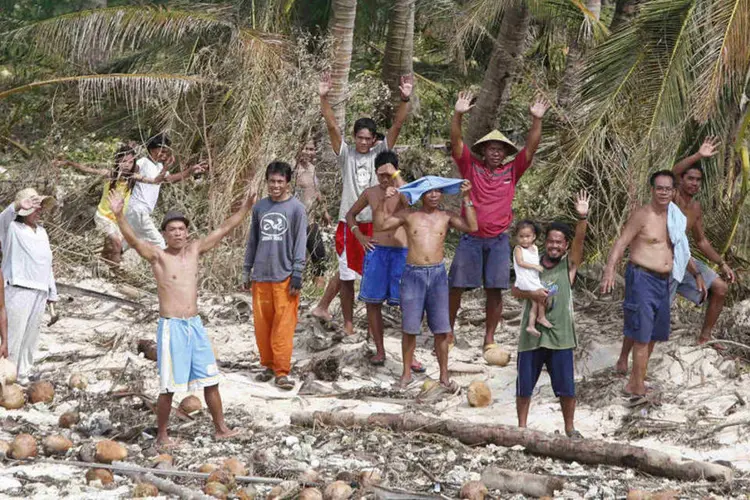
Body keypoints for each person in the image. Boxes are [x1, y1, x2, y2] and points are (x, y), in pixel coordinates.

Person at [109, 186, 254, 447]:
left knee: (211, 380)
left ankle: (221, 428)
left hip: (195, 326)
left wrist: (245, 208)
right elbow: (133, 241)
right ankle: (162, 436)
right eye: (172, 229)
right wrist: (119, 216)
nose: (178, 233)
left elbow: (223, 230)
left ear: (187, 232)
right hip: (171, 327)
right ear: (164, 234)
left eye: (181, 229)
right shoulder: (158, 256)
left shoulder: (194, 251)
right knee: (168, 386)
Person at [310, 72, 413, 335]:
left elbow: (397, 127)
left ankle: (372, 327)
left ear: (375, 140)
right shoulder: (346, 154)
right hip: (350, 224)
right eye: (360, 138)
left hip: (377, 226)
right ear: (355, 137)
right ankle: (348, 324)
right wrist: (324, 98)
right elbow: (333, 126)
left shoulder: (381, 153)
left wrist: (405, 99)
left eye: (369, 138)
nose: (364, 142)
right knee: (346, 275)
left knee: (373, 276)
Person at [448, 91, 550, 352]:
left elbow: (531, 147)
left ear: (505, 153)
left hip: (498, 241)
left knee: (495, 291)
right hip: (471, 238)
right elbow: (456, 142)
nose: (495, 153)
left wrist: (536, 120)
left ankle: (489, 339)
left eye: (500, 149)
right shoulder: (472, 167)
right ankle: (446, 332)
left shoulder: (511, 170)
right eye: (491, 149)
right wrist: (458, 114)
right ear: (483, 150)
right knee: (456, 287)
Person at [374, 178, 477, 390]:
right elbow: (381, 225)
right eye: (429, 191)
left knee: (441, 329)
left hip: (438, 276)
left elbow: (472, 227)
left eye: (437, 191)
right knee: (409, 327)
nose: (433, 195)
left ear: (442, 194)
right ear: (421, 194)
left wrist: (467, 197)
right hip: (413, 275)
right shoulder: (409, 215)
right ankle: (406, 374)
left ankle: (444, 376)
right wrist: (383, 202)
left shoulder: (446, 216)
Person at [511, 191, 590, 438]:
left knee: (566, 387)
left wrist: (583, 217)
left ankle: (570, 428)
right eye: (551, 241)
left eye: (560, 242)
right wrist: (532, 295)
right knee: (524, 385)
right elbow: (515, 290)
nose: (555, 245)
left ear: (565, 245)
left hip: (561, 336)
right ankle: (521, 428)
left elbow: (580, 241)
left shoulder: (569, 266)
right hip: (531, 336)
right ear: (545, 242)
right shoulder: (530, 260)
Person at [601, 171, 676, 398]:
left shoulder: (673, 216)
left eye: (668, 188)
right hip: (642, 278)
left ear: (673, 192)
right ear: (652, 190)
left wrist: (697, 274)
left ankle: (637, 380)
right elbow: (621, 242)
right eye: (659, 188)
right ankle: (635, 386)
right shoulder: (642, 215)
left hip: (664, 282)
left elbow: (679, 248)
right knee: (642, 334)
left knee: (654, 334)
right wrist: (609, 270)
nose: (663, 192)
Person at [345, 151, 421, 370]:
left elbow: (411, 200)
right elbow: (351, 214)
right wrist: (359, 236)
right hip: (377, 252)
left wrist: (396, 179)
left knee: (408, 304)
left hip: (401, 252)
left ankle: (411, 356)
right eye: (381, 175)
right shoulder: (370, 192)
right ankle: (380, 350)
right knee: (373, 302)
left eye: (389, 174)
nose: (385, 179)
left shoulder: (403, 190)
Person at [243, 161, 307, 391]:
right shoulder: (260, 207)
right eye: (272, 181)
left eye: (280, 181)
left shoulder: (297, 209)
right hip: (261, 275)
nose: (276, 185)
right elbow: (253, 241)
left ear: (288, 183)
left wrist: (298, 272)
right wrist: (246, 269)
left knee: (283, 326)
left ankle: (282, 371)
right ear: (267, 182)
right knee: (263, 325)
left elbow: (300, 241)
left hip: (285, 277)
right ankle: (268, 365)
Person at [56, 144, 166, 266]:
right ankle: (115, 268)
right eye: (123, 162)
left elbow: (154, 181)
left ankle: (103, 264)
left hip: (117, 220)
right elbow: (87, 169)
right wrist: (69, 163)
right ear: (117, 162)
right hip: (103, 216)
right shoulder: (110, 175)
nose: (126, 165)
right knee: (117, 243)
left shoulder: (133, 178)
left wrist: (166, 170)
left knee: (115, 248)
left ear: (134, 163)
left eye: (130, 162)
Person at [670, 137, 735, 345]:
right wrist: (699, 155)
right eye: (690, 178)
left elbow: (702, 241)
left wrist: (722, 263)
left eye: (698, 180)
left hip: (684, 260)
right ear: (681, 180)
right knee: (656, 311)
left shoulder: (695, 208)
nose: (694, 183)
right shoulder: (671, 197)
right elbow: (672, 171)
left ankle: (705, 337)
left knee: (720, 288)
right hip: (661, 260)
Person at [0, 189, 58, 384]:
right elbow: (3, 218)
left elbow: (47, 262)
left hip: (40, 290)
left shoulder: (42, 232)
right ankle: (7, 375)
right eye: (34, 207)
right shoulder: (12, 228)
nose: (39, 210)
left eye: (40, 207)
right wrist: (17, 206)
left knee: (31, 336)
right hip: (18, 288)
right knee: (13, 335)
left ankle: (23, 374)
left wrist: (52, 291)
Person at [125, 133, 206, 249]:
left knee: (128, 242)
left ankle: (112, 260)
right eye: (161, 151)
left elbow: (170, 179)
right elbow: (131, 175)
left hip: (141, 211)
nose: (164, 155)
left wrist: (190, 171)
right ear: (152, 150)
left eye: (166, 152)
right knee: (159, 243)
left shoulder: (158, 166)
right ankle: (168, 265)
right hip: (137, 209)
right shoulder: (142, 162)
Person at [293, 138, 331, 288]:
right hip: (295, 222)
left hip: (310, 220)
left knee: (319, 255)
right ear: (298, 148)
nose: (309, 153)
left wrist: (324, 212)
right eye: (305, 148)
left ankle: (318, 292)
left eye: (311, 149)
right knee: (296, 258)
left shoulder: (312, 168)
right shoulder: (293, 169)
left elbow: (316, 192)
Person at [512, 220, 551, 337]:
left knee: (535, 302)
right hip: (525, 279)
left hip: (533, 278)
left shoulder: (534, 248)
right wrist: (534, 266)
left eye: (528, 236)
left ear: (533, 236)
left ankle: (531, 325)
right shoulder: (518, 249)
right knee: (542, 295)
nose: (525, 239)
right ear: (517, 237)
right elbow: (520, 262)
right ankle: (541, 317)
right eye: (521, 236)